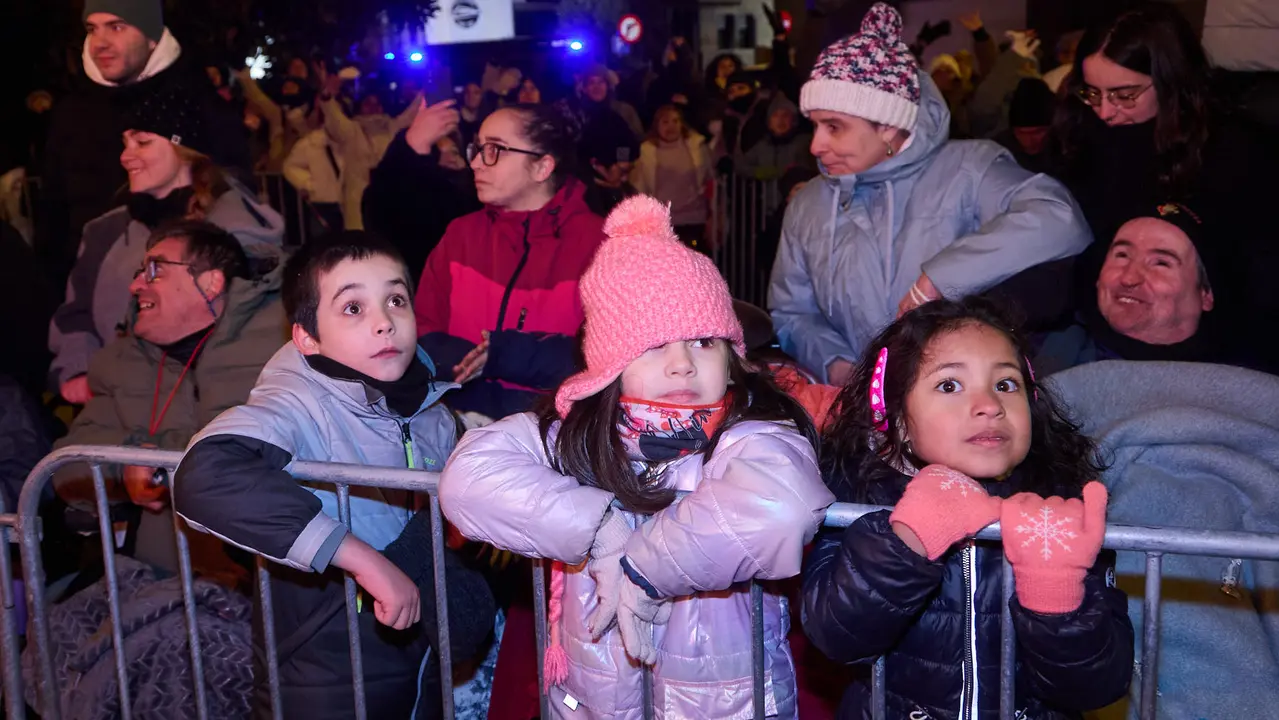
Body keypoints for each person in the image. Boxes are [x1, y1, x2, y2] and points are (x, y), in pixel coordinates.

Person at [439, 195, 836, 719]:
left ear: (733, 355)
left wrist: (644, 568)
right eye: (652, 346)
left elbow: (780, 506)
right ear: (609, 364)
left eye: (702, 342)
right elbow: (468, 477)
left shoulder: (750, 431)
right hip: (591, 703)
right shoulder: (574, 437)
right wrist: (598, 529)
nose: (682, 366)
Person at [173, 232, 495, 719]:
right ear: (306, 336)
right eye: (353, 309)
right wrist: (364, 561)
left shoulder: (431, 410)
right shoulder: (295, 404)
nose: (384, 322)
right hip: (323, 666)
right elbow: (208, 473)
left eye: (395, 299)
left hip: (421, 662)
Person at [803, 296, 1135, 719]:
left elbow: (1099, 686)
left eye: (1005, 384)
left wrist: (1056, 595)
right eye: (949, 385)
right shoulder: (859, 501)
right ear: (898, 420)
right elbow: (836, 637)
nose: (990, 405)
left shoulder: (1059, 513)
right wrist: (908, 539)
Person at [769, 3, 1091, 386]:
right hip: (860, 410)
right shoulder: (810, 204)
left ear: (888, 126)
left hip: (965, 407)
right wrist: (839, 366)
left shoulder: (968, 170)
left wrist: (941, 276)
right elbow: (791, 312)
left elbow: (1059, 217)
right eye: (815, 126)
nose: (816, 145)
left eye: (834, 127)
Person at [51, 221, 287, 577]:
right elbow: (65, 465)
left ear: (210, 283)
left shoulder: (284, 339)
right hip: (168, 588)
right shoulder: (123, 360)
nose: (135, 286)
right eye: (138, 273)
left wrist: (166, 456)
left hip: (281, 581)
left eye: (153, 270)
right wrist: (125, 465)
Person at [1048, 358, 1279, 719]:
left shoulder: (1244, 352)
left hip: (1230, 490)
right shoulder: (1064, 370)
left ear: (1207, 298)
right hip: (1100, 492)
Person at [1052, 3, 1278, 355]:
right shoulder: (1085, 129)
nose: (1105, 111)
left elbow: (1254, 277)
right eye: (1091, 92)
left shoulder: (1234, 150)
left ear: (1171, 81)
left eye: (1125, 95)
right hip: (1103, 315)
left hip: (1208, 334)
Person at [48, 84, 284, 406]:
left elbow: (246, 334)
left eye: (142, 142)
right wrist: (77, 370)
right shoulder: (105, 231)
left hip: (204, 408)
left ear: (184, 148)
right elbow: (75, 314)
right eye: (124, 142)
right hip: (114, 405)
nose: (125, 156)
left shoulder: (237, 233)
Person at [36, 0, 248, 287]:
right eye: (92, 29)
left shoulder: (198, 105)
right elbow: (53, 214)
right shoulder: (72, 113)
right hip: (88, 294)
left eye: (117, 27)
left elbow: (233, 198)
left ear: (151, 38)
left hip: (186, 292)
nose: (100, 43)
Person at [415, 103, 606, 420]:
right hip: (457, 428)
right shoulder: (461, 235)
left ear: (542, 167)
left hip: (556, 437)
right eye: (477, 148)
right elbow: (421, 332)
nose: (476, 162)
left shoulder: (600, 245)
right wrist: (468, 374)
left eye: (494, 150)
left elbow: (609, 358)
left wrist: (504, 355)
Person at [1033, 202, 1264, 375]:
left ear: (1205, 294)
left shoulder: (1247, 389)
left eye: (1161, 263)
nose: (1129, 278)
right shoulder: (1032, 356)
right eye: (1122, 256)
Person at [362, 99, 482, 281]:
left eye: (454, 152)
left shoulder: (475, 196)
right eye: (440, 154)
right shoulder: (420, 194)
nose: (449, 158)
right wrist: (411, 146)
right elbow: (383, 209)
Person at [316, 68, 423, 230]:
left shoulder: (390, 127)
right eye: (368, 104)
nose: (373, 108)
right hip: (356, 199)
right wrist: (326, 95)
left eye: (377, 104)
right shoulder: (351, 130)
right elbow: (333, 116)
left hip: (387, 197)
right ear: (360, 107)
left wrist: (427, 88)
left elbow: (412, 114)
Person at [631, 105, 713, 249]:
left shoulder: (697, 147)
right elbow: (639, 188)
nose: (671, 127)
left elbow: (710, 181)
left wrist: (712, 216)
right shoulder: (647, 151)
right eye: (665, 122)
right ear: (657, 126)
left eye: (675, 121)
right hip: (661, 223)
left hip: (694, 218)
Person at [739, 95, 815, 179]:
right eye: (775, 115)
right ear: (769, 122)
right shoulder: (763, 145)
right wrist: (770, 173)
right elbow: (741, 167)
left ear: (794, 121)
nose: (780, 120)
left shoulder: (804, 143)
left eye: (785, 115)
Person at [994, 77, 1057, 174]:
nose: (1029, 140)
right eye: (1021, 133)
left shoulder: (1067, 150)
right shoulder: (998, 153)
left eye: (1038, 132)